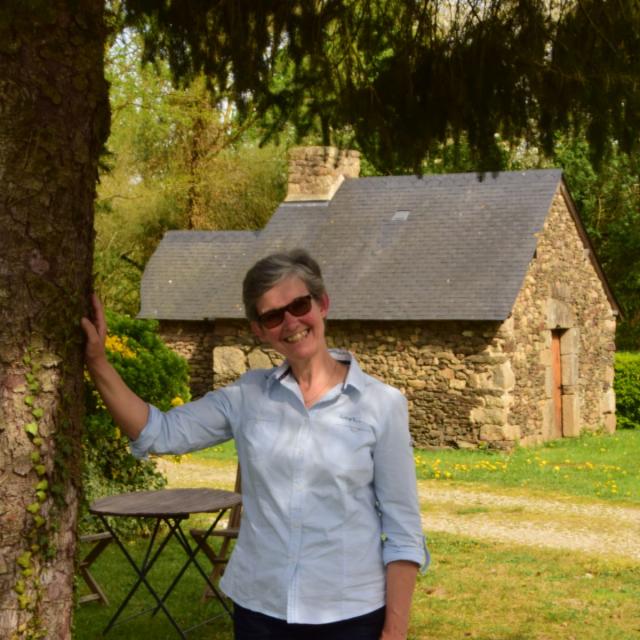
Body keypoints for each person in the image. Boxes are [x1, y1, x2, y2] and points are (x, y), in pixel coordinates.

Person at [82, 248, 427, 640]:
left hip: (351, 616)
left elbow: (403, 531)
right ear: (259, 330)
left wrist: (395, 631)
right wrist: (98, 362)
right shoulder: (247, 398)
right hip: (261, 613)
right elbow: (158, 432)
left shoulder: (381, 405)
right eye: (273, 315)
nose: (291, 322)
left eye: (299, 304)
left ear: (323, 303)